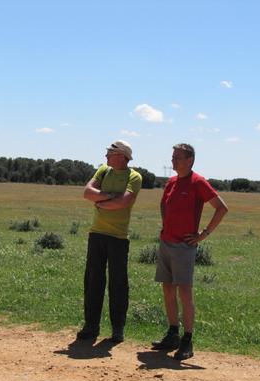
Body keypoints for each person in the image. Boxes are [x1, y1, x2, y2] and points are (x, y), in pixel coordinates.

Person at [152, 143, 228, 360]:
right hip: (166, 243)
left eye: (177, 157)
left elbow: (222, 208)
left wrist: (203, 234)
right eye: (173, 156)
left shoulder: (198, 182)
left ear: (190, 160)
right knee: (167, 289)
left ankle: (187, 340)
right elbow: (163, 204)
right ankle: (172, 333)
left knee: (184, 292)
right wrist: (165, 225)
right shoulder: (172, 181)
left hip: (184, 247)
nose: (173, 161)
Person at [77, 140, 142, 344]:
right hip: (96, 234)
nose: (105, 157)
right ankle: (91, 326)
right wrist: (109, 197)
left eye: (109, 153)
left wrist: (101, 201)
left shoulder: (134, 177)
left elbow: (125, 201)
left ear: (122, 156)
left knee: (118, 284)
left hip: (118, 238)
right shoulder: (103, 170)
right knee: (93, 281)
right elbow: (87, 193)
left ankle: (117, 329)